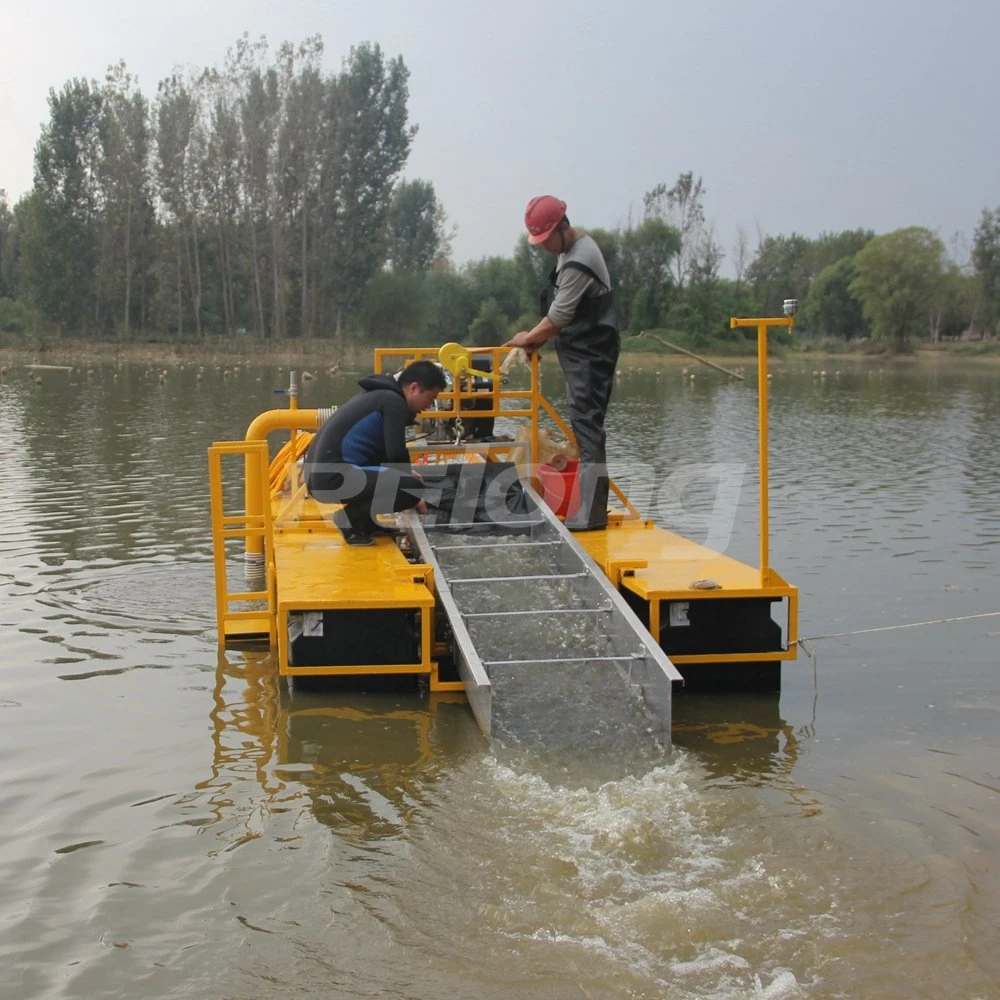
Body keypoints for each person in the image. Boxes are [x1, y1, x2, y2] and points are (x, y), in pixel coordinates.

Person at [505, 195, 620, 530]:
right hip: (581, 349)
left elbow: (560, 315)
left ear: (562, 227)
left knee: (588, 428)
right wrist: (535, 339)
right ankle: (589, 509)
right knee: (585, 426)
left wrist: (529, 337)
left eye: (545, 240)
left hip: (593, 351)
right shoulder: (570, 252)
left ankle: (591, 514)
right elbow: (559, 316)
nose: (542, 248)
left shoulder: (579, 259)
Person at [303, 360, 446, 545]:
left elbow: (381, 453)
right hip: (332, 478)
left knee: (404, 481)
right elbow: (396, 453)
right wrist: (413, 493)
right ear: (413, 388)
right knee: (411, 488)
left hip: (320, 477)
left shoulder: (379, 396)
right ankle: (348, 518)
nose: (429, 405)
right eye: (430, 398)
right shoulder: (393, 402)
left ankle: (366, 524)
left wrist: (403, 475)